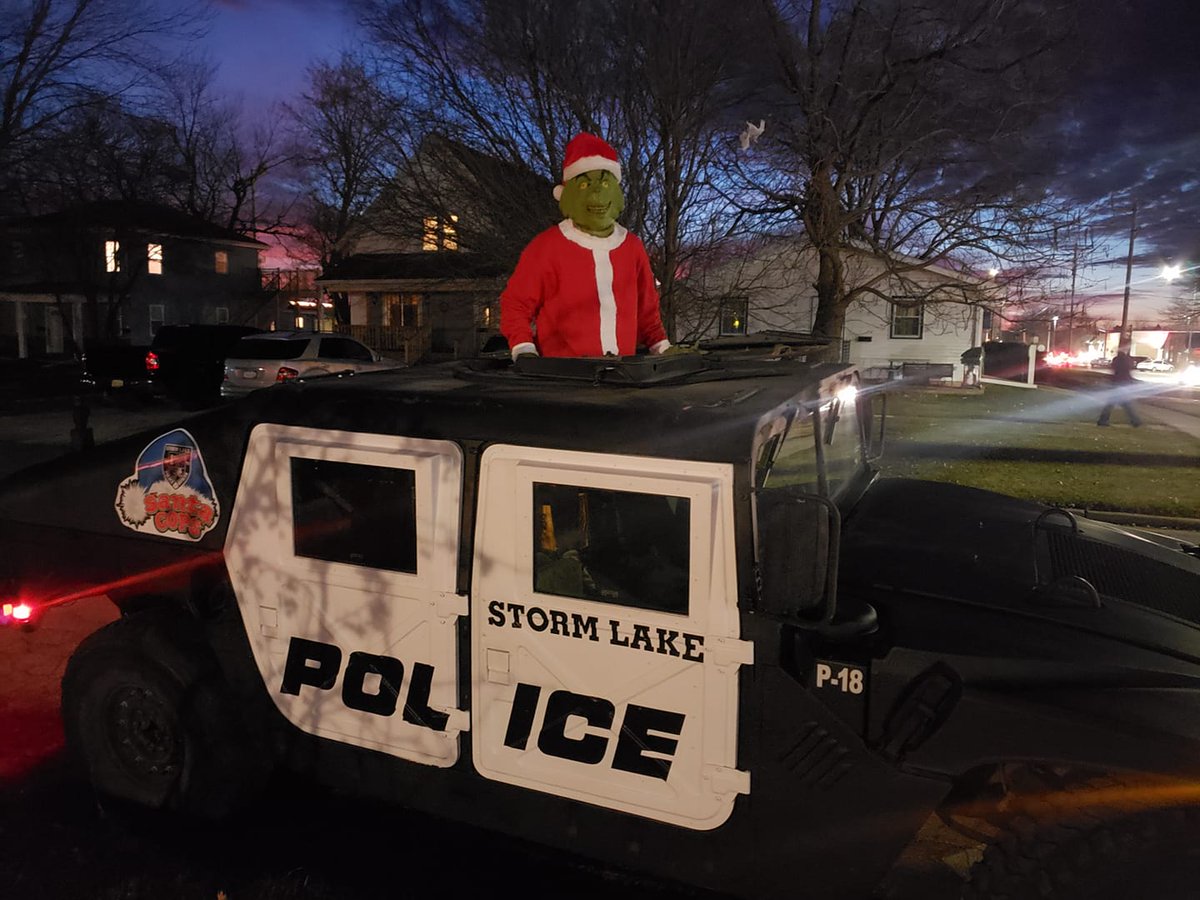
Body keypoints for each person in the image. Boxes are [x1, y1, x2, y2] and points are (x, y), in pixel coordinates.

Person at [500, 132, 670, 360]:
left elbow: (647, 309)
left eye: (604, 183)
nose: (597, 192)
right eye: (584, 185)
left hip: (622, 377)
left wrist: (663, 348)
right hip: (566, 380)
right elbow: (517, 304)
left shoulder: (631, 246)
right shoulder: (547, 247)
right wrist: (523, 348)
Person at [1096, 347, 1142, 426]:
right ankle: (1135, 421)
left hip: (1116, 384)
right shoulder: (1126, 360)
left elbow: (1114, 369)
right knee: (1125, 404)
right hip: (1122, 384)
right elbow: (1127, 371)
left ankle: (1103, 420)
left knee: (1112, 404)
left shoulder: (1116, 360)